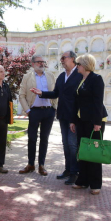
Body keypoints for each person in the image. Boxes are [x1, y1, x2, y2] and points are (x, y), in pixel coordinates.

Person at [30, 51, 82, 185]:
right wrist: (42, 93)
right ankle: (68, 169)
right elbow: (56, 93)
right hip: (63, 115)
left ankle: (75, 173)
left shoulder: (80, 74)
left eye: (64, 58)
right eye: (61, 58)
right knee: (66, 144)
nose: (62, 60)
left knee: (73, 144)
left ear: (72, 59)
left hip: (75, 116)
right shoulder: (61, 76)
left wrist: (76, 117)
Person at [69, 54, 108, 195]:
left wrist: (97, 123)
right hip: (82, 120)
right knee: (83, 151)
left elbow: (98, 102)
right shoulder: (81, 79)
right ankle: (82, 181)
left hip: (95, 121)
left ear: (84, 65)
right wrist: (73, 120)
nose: (76, 66)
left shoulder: (96, 79)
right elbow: (77, 103)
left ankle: (95, 184)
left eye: (78, 64)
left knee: (94, 152)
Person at [18, 55, 57, 176]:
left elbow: (56, 93)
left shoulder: (50, 76)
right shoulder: (27, 77)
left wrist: (54, 108)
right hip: (34, 111)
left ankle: (41, 165)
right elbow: (21, 95)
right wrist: (28, 110)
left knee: (44, 139)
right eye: (39, 62)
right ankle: (30, 164)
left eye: (43, 62)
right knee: (32, 138)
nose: (41, 64)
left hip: (48, 111)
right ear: (33, 63)